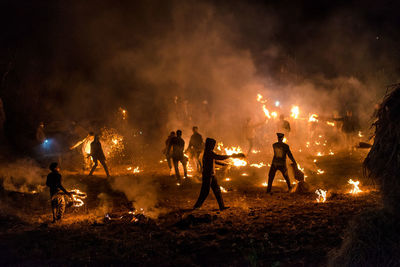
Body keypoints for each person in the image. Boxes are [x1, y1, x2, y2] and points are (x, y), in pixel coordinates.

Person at [193, 138, 245, 210]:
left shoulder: (209, 152)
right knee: (205, 192)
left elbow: (215, 161)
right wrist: (231, 156)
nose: (213, 146)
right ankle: (196, 206)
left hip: (212, 175)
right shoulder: (209, 152)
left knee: (217, 190)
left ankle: (221, 206)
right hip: (207, 175)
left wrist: (225, 164)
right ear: (209, 145)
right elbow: (219, 157)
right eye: (212, 144)